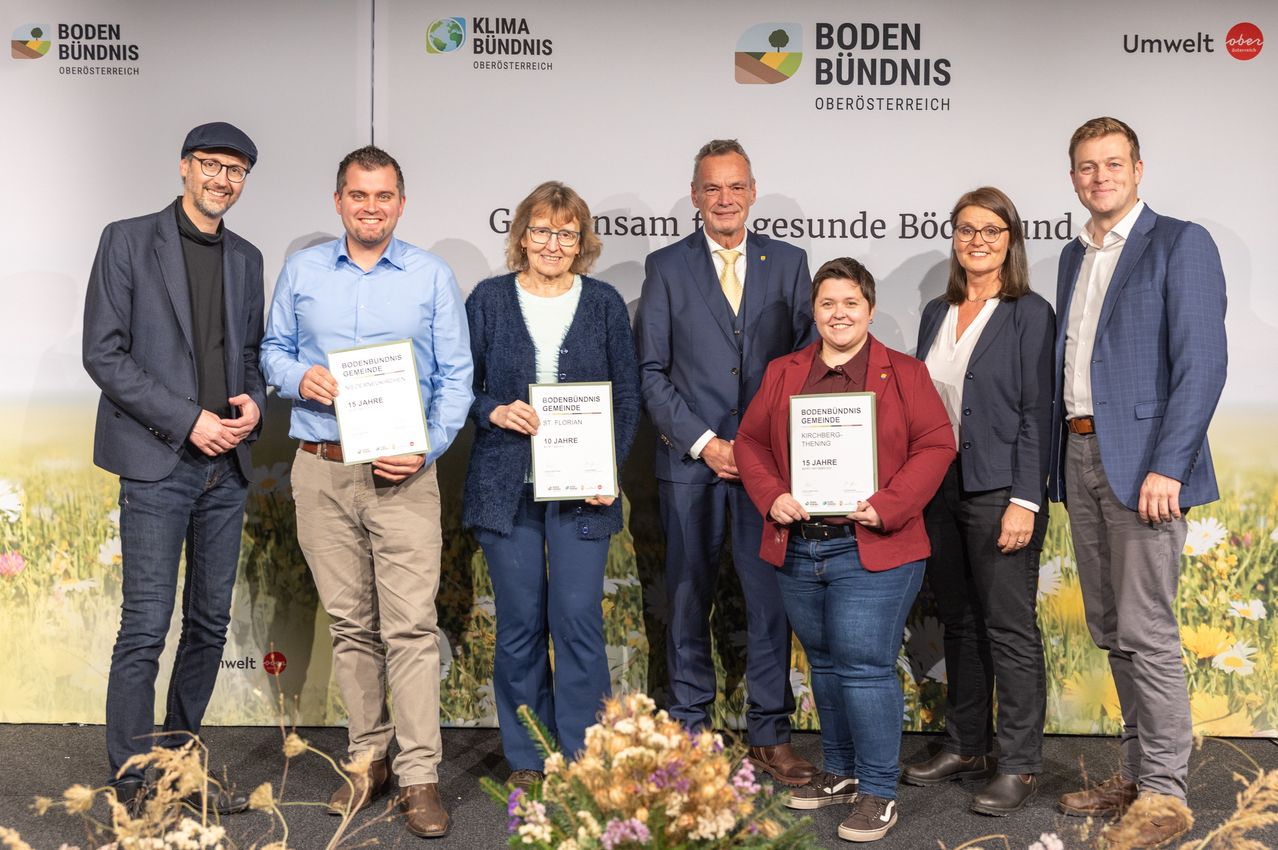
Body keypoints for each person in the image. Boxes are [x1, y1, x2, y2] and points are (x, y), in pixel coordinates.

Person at [260, 145, 473, 839]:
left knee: (409, 630)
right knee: (352, 626)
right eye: (359, 195)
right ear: (339, 201)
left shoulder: (430, 277)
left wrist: (428, 446)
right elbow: (272, 351)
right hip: (321, 467)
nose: (371, 207)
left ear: (400, 203)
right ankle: (366, 760)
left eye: (384, 196)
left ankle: (417, 777)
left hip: (402, 474)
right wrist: (298, 380)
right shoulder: (302, 271)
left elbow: (456, 379)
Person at [1049, 117, 1227, 847]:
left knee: (1148, 631)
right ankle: (1137, 774)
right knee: (1111, 629)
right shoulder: (1071, 253)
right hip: (1081, 456)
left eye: (1112, 164)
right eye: (1087, 167)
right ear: (1074, 178)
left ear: (1138, 169)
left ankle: (1164, 795)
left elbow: (1202, 365)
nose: (1100, 177)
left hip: (1147, 468)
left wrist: (1170, 465)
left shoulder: (1180, 243)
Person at [735, 257, 954, 842]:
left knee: (864, 666)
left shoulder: (903, 373)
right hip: (802, 546)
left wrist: (891, 503)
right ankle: (840, 770)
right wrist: (771, 494)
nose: (839, 314)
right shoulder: (784, 372)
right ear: (815, 310)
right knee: (827, 664)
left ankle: (878, 791)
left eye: (850, 303)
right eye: (828, 303)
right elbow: (751, 442)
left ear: (871, 309)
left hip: (874, 546)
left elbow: (936, 444)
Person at [82, 121, 265, 814]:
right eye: (212, 165)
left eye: (236, 171)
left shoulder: (245, 257)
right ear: (185, 167)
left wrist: (254, 407)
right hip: (160, 462)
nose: (223, 180)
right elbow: (104, 353)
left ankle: (178, 770)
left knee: (210, 626)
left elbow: (248, 353)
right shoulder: (128, 240)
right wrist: (188, 418)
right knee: (145, 628)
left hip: (229, 470)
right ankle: (134, 786)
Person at [634, 139, 817, 785]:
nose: (724, 199)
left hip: (766, 467)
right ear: (694, 195)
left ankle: (769, 733)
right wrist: (706, 443)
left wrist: (758, 445)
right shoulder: (665, 267)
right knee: (688, 600)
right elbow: (650, 372)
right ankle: (689, 731)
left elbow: (804, 364)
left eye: (735, 186)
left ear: (752, 190)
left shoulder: (790, 263)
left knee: (769, 601)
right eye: (712, 188)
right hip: (691, 466)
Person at [463, 181, 641, 790]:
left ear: (581, 241)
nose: (553, 243)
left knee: (578, 620)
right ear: (522, 235)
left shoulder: (604, 303)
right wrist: (494, 411)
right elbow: (462, 386)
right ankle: (529, 757)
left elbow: (627, 397)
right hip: (505, 488)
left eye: (566, 232)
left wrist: (606, 472)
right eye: (541, 230)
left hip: (582, 493)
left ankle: (586, 756)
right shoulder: (488, 300)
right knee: (517, 624)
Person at [901, 188, 1055, 816]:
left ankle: (1018, 763)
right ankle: (968, 744)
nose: (978, 241)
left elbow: (1035, 412)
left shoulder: (1029, 312)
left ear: (1011, 240)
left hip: (999, 491)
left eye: (992, 230)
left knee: (1010, 629)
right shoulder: (937, 311)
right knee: (960, 622)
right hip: (940, 488)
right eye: (967, 230)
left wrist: (1025, 499)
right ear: (955, 238)